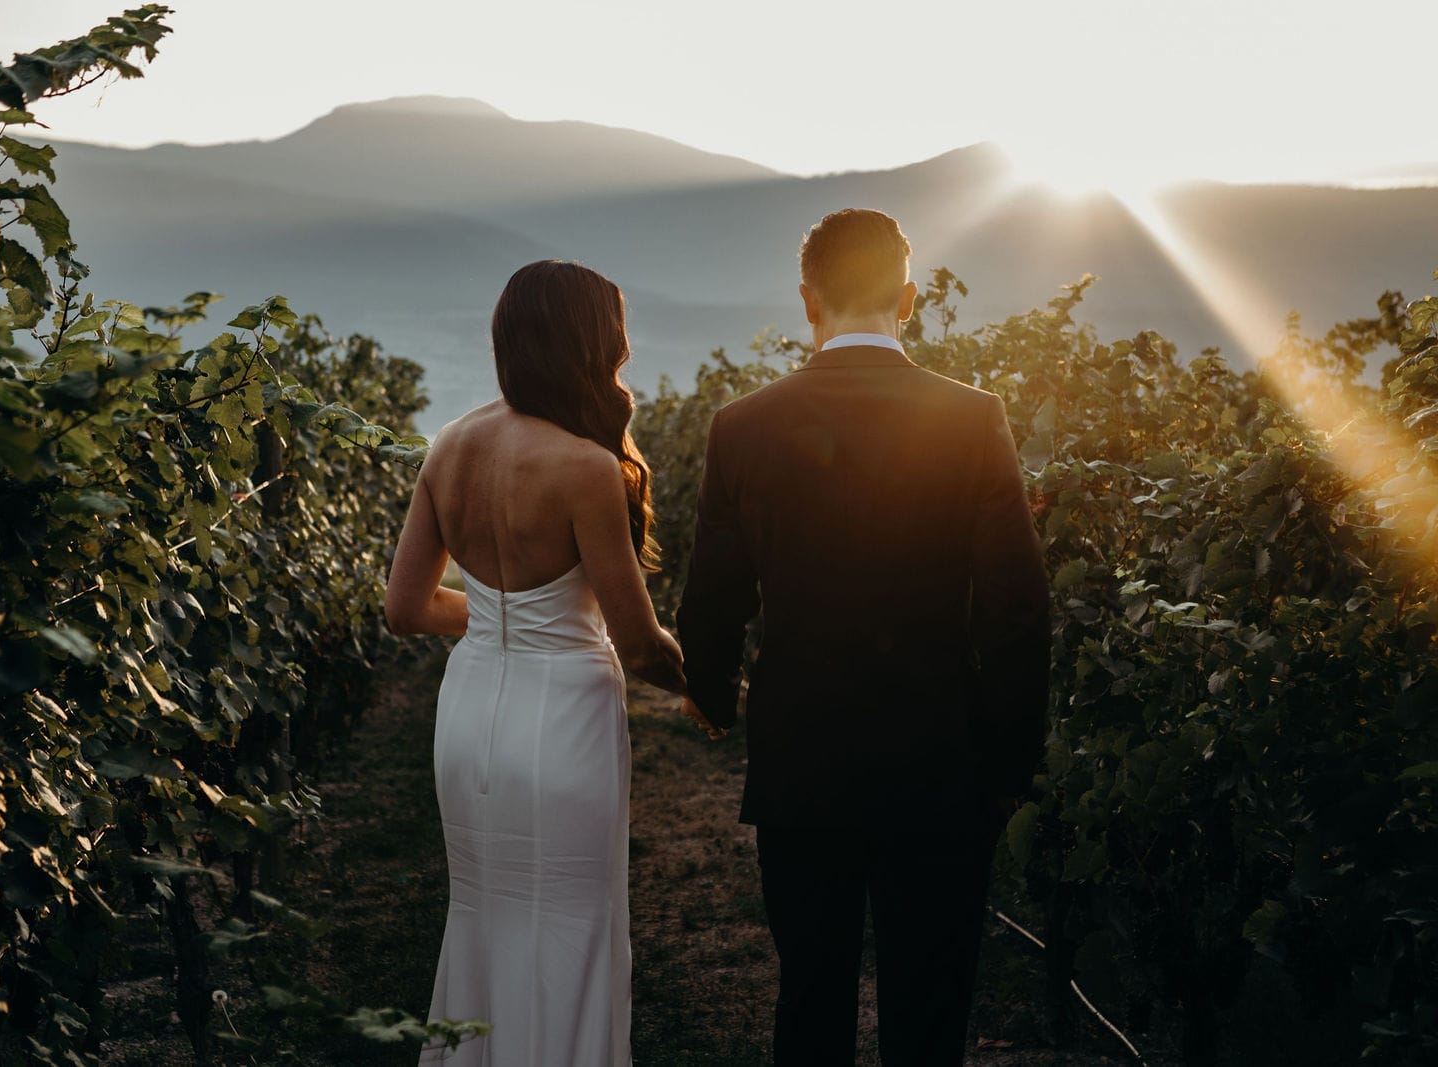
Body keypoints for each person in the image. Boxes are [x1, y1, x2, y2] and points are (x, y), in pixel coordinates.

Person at [676, 208, 1051, 1066]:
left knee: (811, 992)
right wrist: (1007, 763)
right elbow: (1018, 610)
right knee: (930, 1004)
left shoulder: (742, 425)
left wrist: (713, 700)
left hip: (802, 759)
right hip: (940, 761)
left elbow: (714, 600)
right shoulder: (972, 418)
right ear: (909, 300)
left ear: (807, 301)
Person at [385, 259, 687, 1066]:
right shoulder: (586, 466)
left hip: (472, 705)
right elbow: (638, 639)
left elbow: (405, 607)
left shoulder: (450, 445)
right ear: (590, 344)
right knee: (568, 920)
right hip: (563, 719)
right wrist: (707, 679)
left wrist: (495, 616)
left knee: (483, 914)